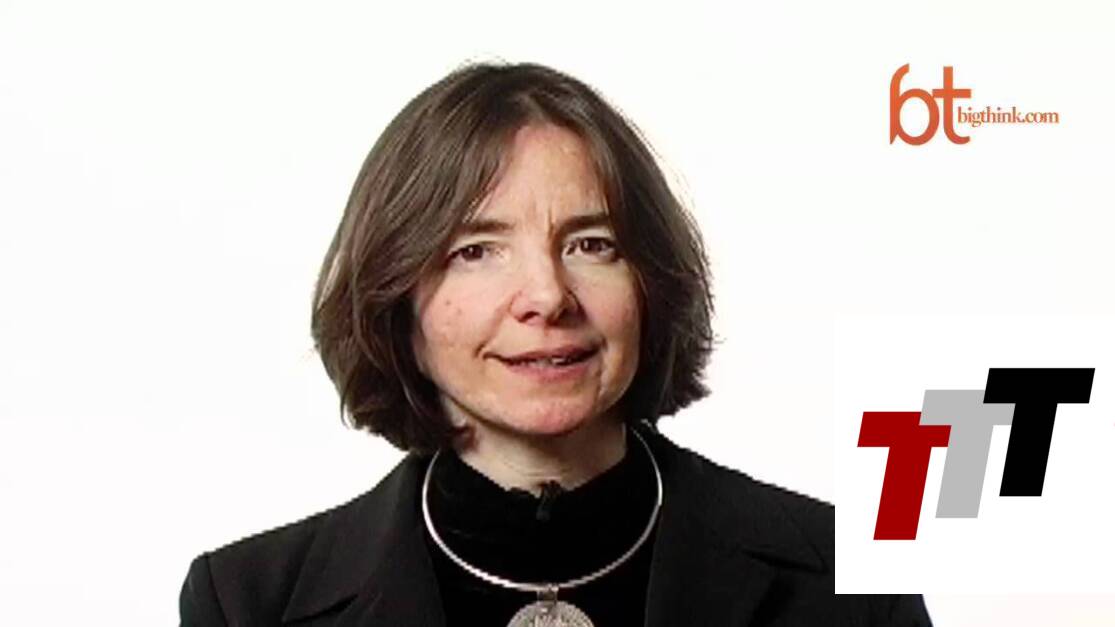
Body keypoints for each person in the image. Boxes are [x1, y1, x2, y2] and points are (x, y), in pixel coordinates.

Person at [178, 61, 932, 626]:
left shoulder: (850, 586)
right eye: (476, 250)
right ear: (396, 296)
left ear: (650, 282)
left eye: (591, 244)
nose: (546, 295)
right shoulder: (247, 604)